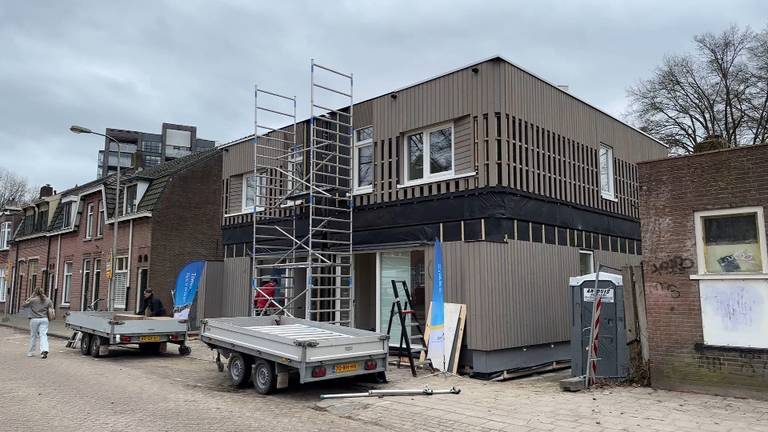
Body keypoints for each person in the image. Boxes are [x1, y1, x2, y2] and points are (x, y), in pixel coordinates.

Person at [22, 287, 54, 359]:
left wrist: (30, 297)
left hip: (34, 319)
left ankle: (31, 352)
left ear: (35, 293)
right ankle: (44, 350)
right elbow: (51, 308)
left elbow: (24, 305)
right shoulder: (48, 300)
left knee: (33, 335)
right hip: (44, 319)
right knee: (43, 335)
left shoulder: (33, 300)